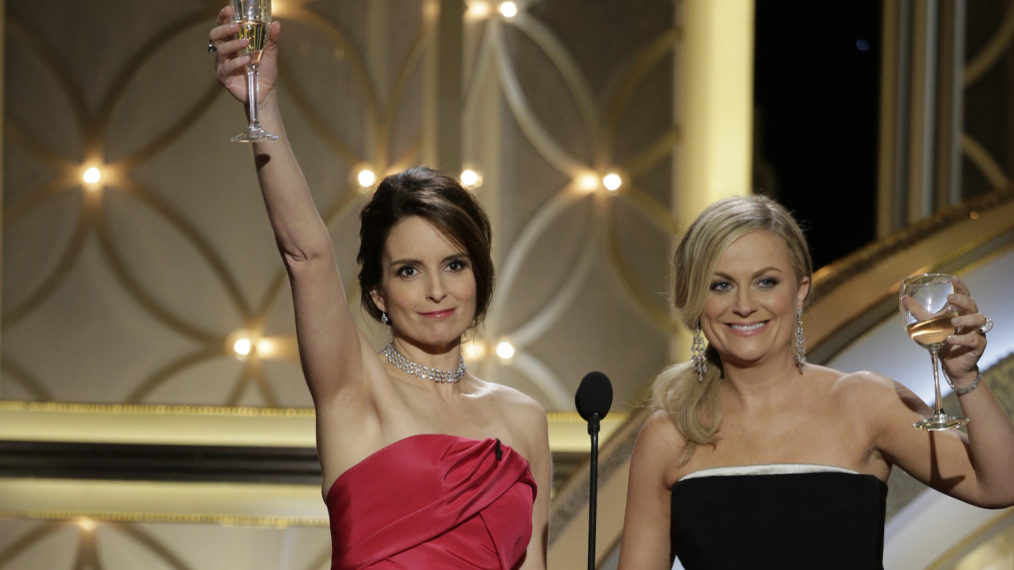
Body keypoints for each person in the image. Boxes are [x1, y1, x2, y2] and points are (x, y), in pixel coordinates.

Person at [209, 7, 551, 569]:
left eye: (455, 265)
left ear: (479, 276)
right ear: (376, 293)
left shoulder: (523, 419)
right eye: (409, 271)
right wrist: (261, 105)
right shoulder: (356, 388)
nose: (438, 290)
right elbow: (306, 255)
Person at [618, 195, 1014, 569]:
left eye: (766, 282)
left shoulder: (864, 401)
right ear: (694, 299)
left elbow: (999, 485)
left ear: (800, 291)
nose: (743, 305)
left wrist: (964, 376)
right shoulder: (669, 436)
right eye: (720, 285)